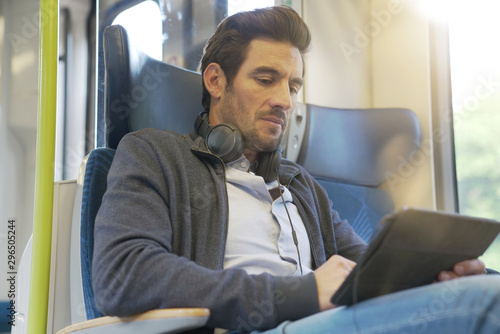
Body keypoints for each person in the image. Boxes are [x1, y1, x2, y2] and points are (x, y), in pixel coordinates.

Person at [92, 5, 500, 334]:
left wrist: (435, 276)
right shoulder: (155, 154)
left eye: (291, 86)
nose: (284, 101)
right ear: (215, 81)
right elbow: (124, 273)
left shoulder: (300, 185)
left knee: (486, 287)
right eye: (266, 79)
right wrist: (300, 294)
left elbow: (369, 269)